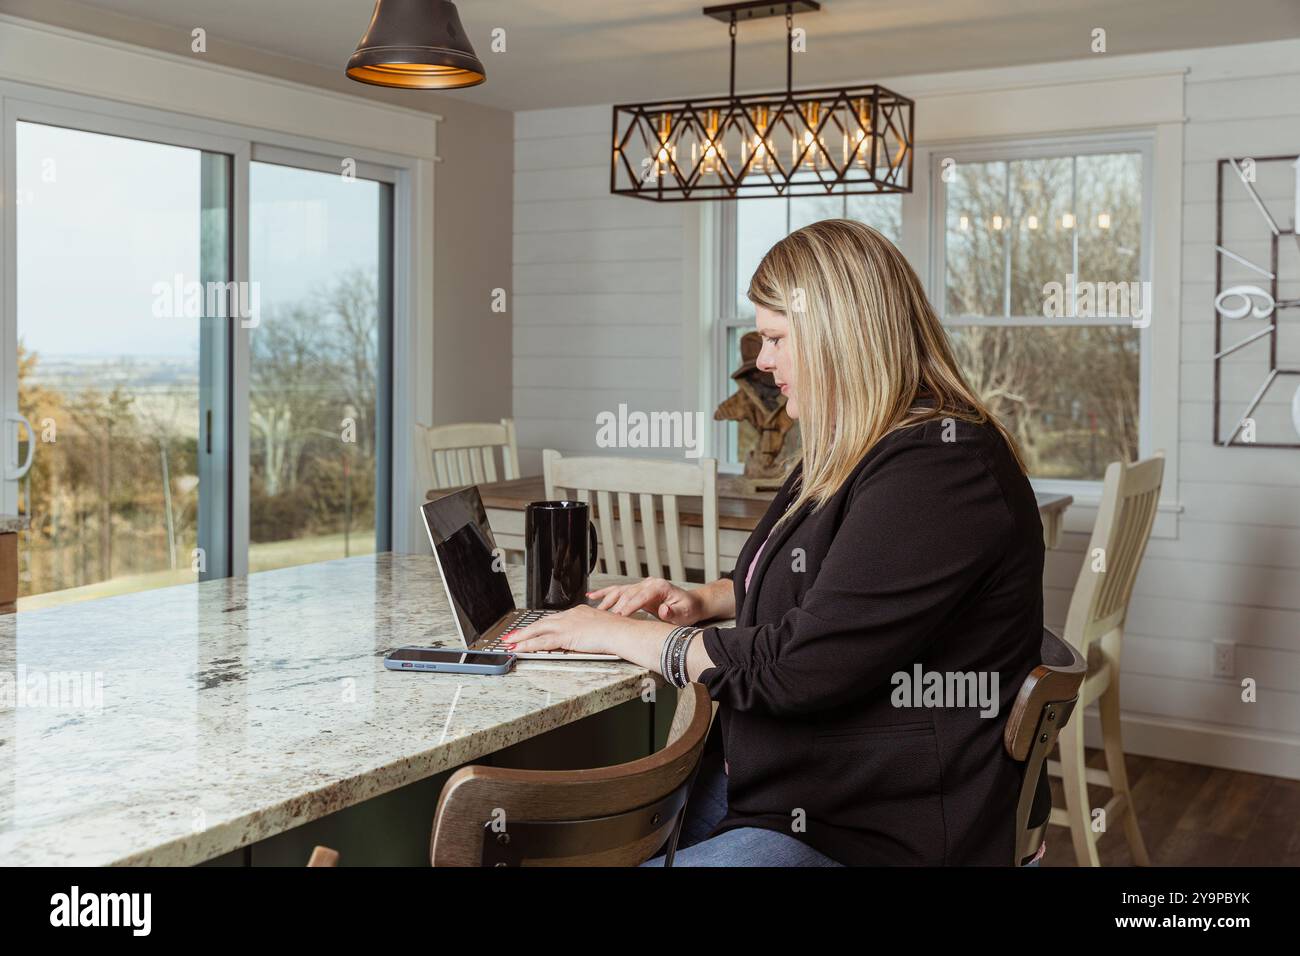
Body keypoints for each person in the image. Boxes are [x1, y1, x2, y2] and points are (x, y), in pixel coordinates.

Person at [506, 218, 1046, 866]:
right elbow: (826, 587)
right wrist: (700, 601)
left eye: (775, 338)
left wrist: (618, 634)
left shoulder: (940, 469)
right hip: (779, 786)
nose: (761, 361)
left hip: (872, 830)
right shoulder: (853, 446)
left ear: (839, 337)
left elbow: (800, 668)